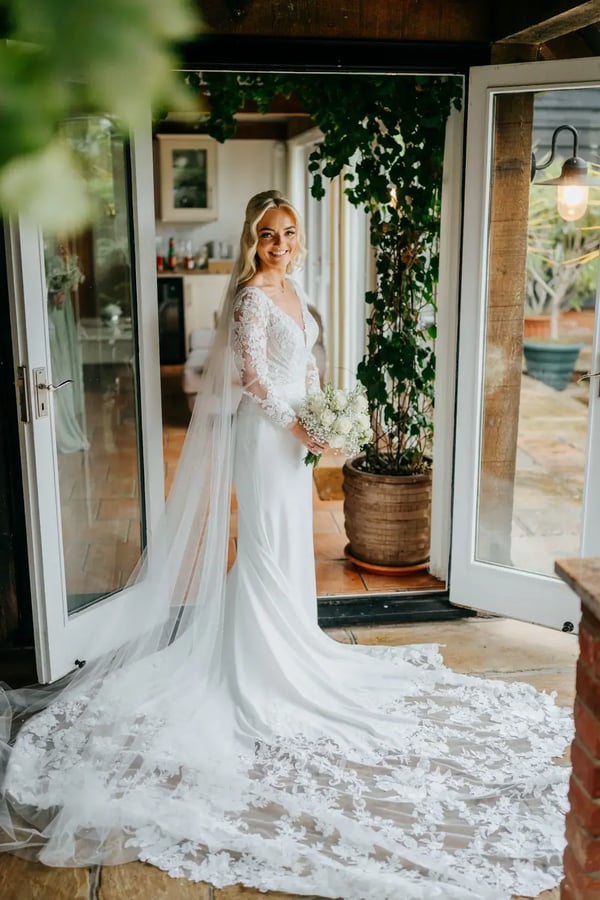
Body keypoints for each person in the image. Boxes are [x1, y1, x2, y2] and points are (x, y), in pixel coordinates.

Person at [0, 190, 573, 899]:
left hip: (295, 444)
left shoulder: (298, 290)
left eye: (290, 233)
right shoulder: (249, 299)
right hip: (264, 442)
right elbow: (251, 381)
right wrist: (303, 429)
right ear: (253, 238)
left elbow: (305, 373)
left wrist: (327, 416)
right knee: (269, 548)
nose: (280, 243)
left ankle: (287, 646)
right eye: (269, 234)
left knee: (288, 553)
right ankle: (265, 672)